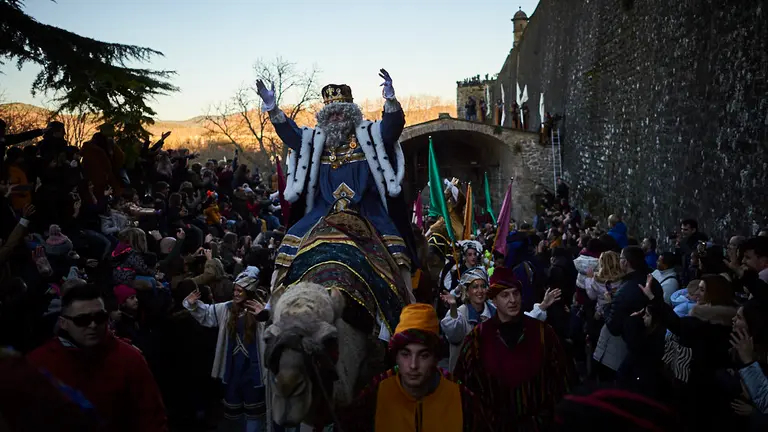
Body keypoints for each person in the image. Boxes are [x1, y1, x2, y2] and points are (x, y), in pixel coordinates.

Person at [258, 69, 416, 289]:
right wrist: (273, 109)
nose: (334, 118)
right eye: (329, 113)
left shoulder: (369, 135)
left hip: (366, 210)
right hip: (323, 211)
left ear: (350, 112)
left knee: (397, 250)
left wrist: (390, 99)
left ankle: (406, 301)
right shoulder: (315, 140)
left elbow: (391, 130)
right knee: (289, 244)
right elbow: (292, 135)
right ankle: (274, 298)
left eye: (340, 112)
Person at [26, 283, 167, 432]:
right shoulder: (38, 364)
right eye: (82, 320)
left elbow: (151, 416)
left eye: (100, 317)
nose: (93, 325)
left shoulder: (129, 358)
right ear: (63, 323)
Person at [337, 303, 491, 431]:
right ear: (395, 356)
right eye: (405, 354)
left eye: (423, 355)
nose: (413, 365)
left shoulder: (461, 399)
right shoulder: (374, 396)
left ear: (435, 358)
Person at [453, 267, 571, 431]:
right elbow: (464, 386)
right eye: (505, 295)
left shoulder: (542, 333)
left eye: (516, 293)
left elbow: (561, 378)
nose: (512, 300)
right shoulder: (477, 338)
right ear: (493, 300)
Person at [183, 275, 268, 432]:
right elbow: (207, 313)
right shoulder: (226, 309)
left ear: (248, 292)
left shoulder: (260, 309)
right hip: (233, 369)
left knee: (254, 414)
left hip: (253, 371)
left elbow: (274, 327)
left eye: (240, 291)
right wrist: (193, 304)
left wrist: (265, 316)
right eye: (234, 290)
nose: (235, 293)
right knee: (234, 415)